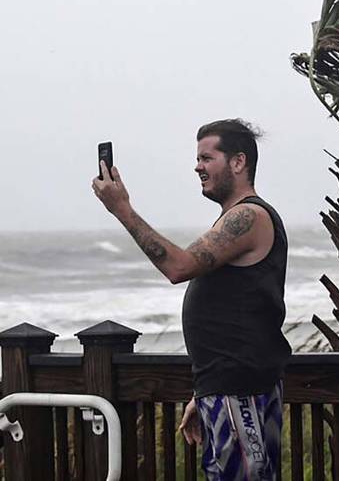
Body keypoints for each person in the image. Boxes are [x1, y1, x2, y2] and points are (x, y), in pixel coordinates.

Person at [92, 118, 291, 480]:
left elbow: (179, 266)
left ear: (238, 162)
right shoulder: (233, 219)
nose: (197, 166)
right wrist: (205, 392)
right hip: (226, 389)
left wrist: (122, 208)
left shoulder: (248, 216)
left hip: (239, 394)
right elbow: (235, 312)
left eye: (206, 157)